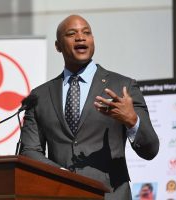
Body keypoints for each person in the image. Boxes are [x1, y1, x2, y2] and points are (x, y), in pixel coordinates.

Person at [20, 14, 159, 199]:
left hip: (109, 194)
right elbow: (29, 151)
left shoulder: (124, 87)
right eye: (71, 33)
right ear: (58, 46)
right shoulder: (40, 96)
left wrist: (132, 121)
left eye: (87, 32)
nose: (80, 37)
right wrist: (61, 174)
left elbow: (151, 150)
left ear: (93, 40)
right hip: (59, 194)